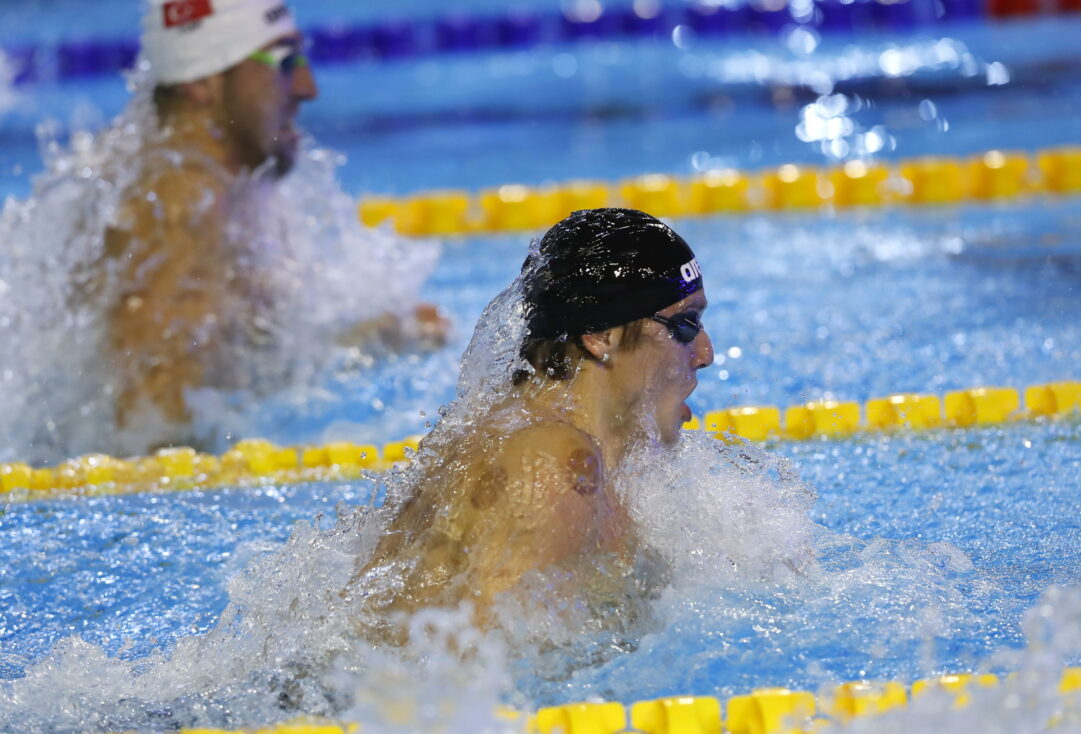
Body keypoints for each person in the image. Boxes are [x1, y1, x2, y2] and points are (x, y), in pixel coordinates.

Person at [357, 208, 714, 635]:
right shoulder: (554, 463)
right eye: (685, 325)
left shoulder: (528, 437)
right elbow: (471, 676)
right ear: (601, 336)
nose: (705, 354)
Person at [104, 0, 446, 434]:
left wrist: (369, 339)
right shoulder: (178, 211)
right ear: (202, 80)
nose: (306, 87)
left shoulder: (202, 192)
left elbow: (237, 362)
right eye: (285, 61)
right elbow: (148, 432)